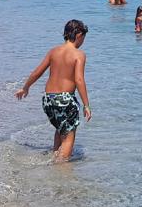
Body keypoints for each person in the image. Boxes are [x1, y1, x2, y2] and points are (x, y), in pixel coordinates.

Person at [15, 19, 92, 162]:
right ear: (79, 35)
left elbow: (37, 72)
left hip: (48, 99)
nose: (83, 42)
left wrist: (25, 87)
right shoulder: (79, 54)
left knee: (60, 128)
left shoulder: (53, 51)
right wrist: (86, 105)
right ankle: (62, 169)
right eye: (84, 38)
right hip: (65, 99)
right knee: (69, 135)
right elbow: (79, 80)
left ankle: (56, 157)